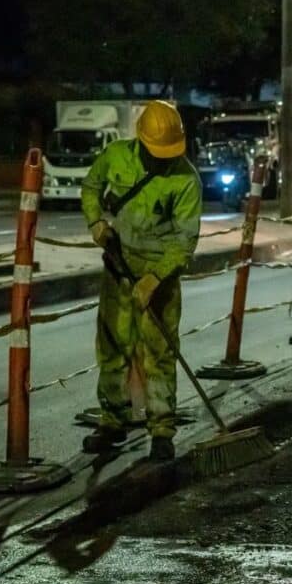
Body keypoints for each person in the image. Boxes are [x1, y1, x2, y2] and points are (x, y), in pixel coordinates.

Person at [80, 100, 201, 462]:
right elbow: (91, 188)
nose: (164, 158)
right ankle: (112, 421)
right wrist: (96, 222)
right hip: (118, 269)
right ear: (141, 140)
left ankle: (162, 430)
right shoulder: (116, 156)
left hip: (160, 277)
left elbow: (184, 241)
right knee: (113, 347)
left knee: (159, 354)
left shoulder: (185, 179)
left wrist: (155, 278)